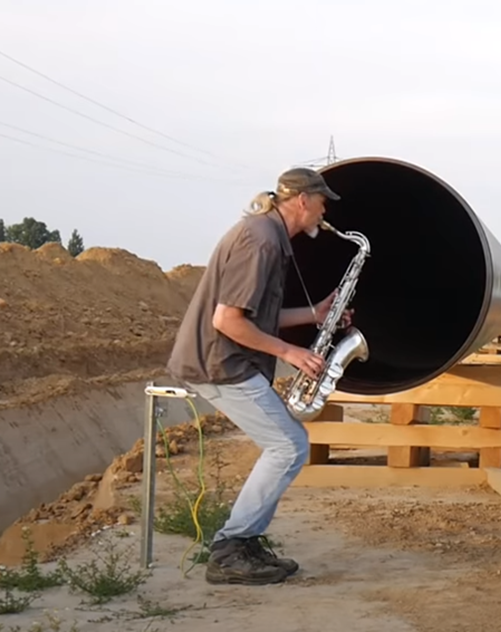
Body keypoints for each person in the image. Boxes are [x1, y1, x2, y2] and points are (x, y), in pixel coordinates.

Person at [167, 167, 352, 585]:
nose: (325, 212)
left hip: (226, 361)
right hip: (220, 363)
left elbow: (259, 315)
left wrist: (315, 314)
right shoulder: (261, 241)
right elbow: (227, 321)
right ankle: (232, 548)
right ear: (302, 201)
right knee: (288, 446)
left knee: (287, 445)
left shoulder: (266, 236)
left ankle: (242, 543)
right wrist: (291, 352)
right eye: (323, 202)